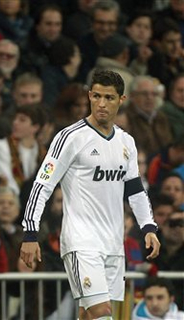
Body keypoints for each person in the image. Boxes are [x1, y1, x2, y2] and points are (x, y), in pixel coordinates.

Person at [20, 70, 160, 320]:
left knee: (88, 314)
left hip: (113, 242)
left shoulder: (126, 142)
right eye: (96, 96)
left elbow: (135, 189)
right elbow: (42, 185)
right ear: (89, 97)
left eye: (109, 97)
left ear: (122, 100)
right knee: (101, 313)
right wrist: (30, 233)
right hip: (82, 241)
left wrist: (148, 226)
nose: (102, 104)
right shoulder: (69, 137)